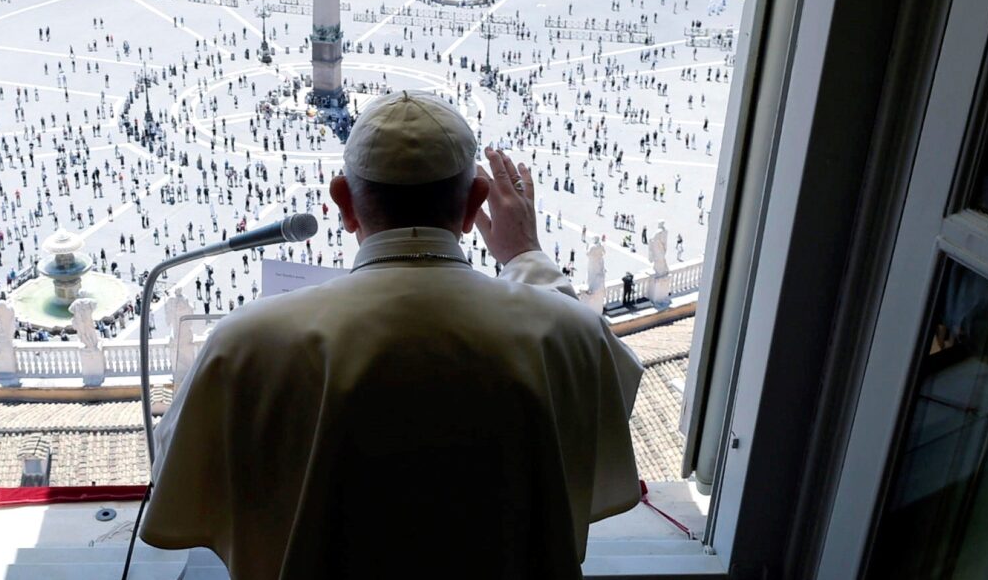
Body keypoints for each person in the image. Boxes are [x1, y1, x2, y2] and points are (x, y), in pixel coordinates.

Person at [140, 92, 644, 579]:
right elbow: (600, 416)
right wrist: (526, 258)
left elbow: (178, 477)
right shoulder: (571, 334)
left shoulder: (242, 344)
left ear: (344, 201)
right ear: (474, 205)